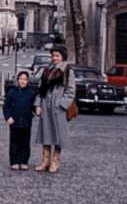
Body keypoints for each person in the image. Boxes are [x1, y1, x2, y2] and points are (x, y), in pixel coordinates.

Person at [34, 44, 75, 173]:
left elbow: (71, 90)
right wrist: (38, 104)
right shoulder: (47, 70)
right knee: (46, 132)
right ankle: (45, 160)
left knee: (58, 135)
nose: (55, 58)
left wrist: (62, 104)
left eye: (57, 55)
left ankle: (55, 161)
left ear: (62, 57)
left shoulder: (67, 70)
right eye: (53, 55)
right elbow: (41, 89)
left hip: (58, 107)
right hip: (46, 105)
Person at [3, 71, 36, 170]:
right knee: (14, 142)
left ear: (28, 81)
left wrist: (36, 111)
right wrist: (8, 117)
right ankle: (14, 161)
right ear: (17, 80)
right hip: (14, 121)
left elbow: (34, 106)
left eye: (25, 79)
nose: (23, 81)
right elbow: (6, 106)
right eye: (21, 79)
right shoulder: (12, 92)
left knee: (25, 142)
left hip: (26, 121)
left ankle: (24, 161)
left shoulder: (31, 93)